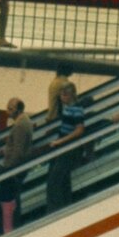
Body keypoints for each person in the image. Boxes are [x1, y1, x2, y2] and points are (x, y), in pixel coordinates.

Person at [0, 96, 33, 234]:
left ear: (18, 110)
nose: (8, 111)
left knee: (8, 201)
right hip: (17, 168)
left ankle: (7, 230)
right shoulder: (25, 121)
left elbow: (18, 152)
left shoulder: (19, 125)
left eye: (10, 108)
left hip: (13, 171)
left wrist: (7, 169)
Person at [46, 81, 85, 212]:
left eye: (65, 95)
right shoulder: (67, 108)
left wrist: (61, 141)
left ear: (72, 95)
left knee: (54, 181)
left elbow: (79, 130)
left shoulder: (77, 109)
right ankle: (65, 207)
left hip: (68, 148)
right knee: (64, 180)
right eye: (61, 95)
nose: (62, 97)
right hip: (63, 145)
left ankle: (56, 210)